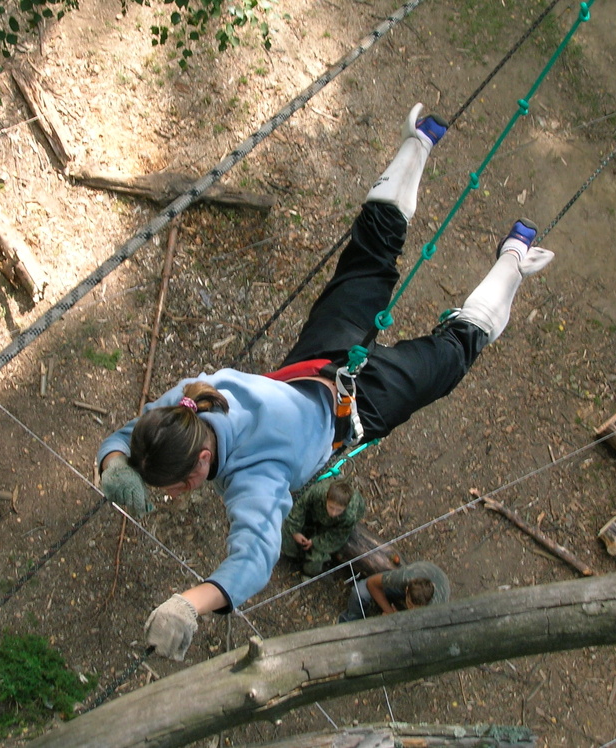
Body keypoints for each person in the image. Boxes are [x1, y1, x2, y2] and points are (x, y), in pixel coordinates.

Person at [97, 102, 554, 661]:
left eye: (173, 488)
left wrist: (189, 603)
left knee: (453, 352)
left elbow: (252, 561)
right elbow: (136, 429)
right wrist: (116, 462)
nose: (171, 495)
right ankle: (419, 141)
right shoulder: (194, 399)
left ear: (198, 470)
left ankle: (514, 260)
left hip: (362, 404)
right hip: (320, 361)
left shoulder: (255, 479)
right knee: (370, 254)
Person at [281, 478, 366, 577]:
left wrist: (315, 542)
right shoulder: (317, 492)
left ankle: (308, 572)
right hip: (316, 511)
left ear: (345, 507)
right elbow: (300, 506)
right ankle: (291, 555)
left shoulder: (350, 515)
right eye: (331, 507)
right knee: (287, 531)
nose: (333, 513)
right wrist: (295, 532)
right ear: (326, 498)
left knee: (316, 560)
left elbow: (337, 536)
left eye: (339, 510)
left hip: (333, 526)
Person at [337, 560, 450, 623]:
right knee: (359, 592)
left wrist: (397, 621)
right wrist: (390, 612)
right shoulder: (405, 577)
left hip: (440, 583)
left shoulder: (434, 609)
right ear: (406, 590)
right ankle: (349, 621)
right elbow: (371, 584)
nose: (412, 609)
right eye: (410, 604)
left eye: (417, 609)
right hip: (419, 571)